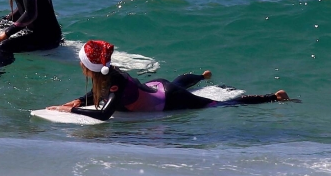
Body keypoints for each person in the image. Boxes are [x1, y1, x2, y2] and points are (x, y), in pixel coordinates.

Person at [47, 40, 290, 121]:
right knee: (178, 82)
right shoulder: (107, 75)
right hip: (158, 86)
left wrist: (70, 112)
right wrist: (78, 100)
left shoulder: (114, 82)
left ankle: (273, 97)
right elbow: (98, 96)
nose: (80, 65)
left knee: (216, 104)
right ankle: (202, 76)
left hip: (166, 97)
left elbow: (104, 115)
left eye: (81, 62)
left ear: (89, 66)